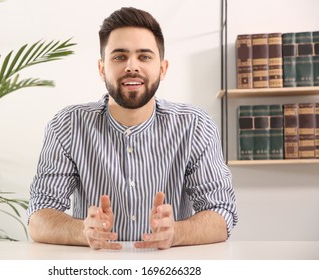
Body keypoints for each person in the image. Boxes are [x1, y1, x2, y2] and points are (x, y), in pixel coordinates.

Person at [27, 7, 238, 250]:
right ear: (101, 68)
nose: (131, 66)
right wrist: (83, 231)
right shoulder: (67, 126)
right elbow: (39, 216)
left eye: (145, 57)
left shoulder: (195, 125)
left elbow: (222, 214)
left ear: (162, 68)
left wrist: (176, 232)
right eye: (119, 57)